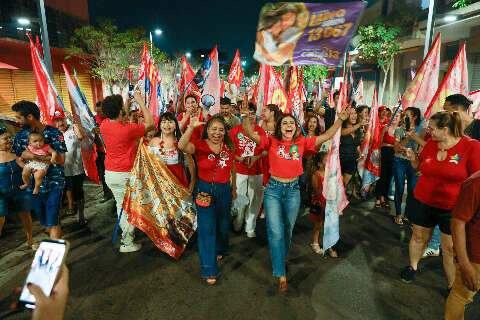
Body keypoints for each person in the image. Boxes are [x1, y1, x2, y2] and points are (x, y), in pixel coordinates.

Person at [241, 105, 349, 293]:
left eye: (291, 123)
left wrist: (339, 119)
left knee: (288, 231)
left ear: (296, 128)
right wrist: (245, 117)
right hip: (273, 191)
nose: (288, 125)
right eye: (285, 123)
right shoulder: (271, 142)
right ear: (279, 127)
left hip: (292, 191)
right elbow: (250, 133)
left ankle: (280, 257)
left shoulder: (302, 143)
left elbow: (327, 136)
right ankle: (281, 273)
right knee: (275, 231)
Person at [400, 111, 480, 289]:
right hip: (423, 200)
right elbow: (420, 167)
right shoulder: (431, 143)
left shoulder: (471, 146)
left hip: (453, 208)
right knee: (419, 236)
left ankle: (452, 285)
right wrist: (413, 159)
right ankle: (412, 266)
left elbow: (477, 180)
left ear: (445, 130)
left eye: (432, 129)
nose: (429, 132)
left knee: (450, 248)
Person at [179, 115, 236, 285]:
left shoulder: (229, 146)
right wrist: (190, 127)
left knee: (223, 225)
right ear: (207, 130)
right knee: (207, 228)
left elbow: (232, 166)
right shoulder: (199, 145)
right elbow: (181, 145)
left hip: (224, 190)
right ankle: (209, 269)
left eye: (221, 129)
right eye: (213, 129)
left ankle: (221, 249)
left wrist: (234, 189)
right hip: (204, 191)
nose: (217, 133)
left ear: (225, 132)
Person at [100, 92, 154, 253]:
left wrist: (127, 104)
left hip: (110, 173)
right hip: (125, 175)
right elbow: (150, 124)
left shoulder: (104, 125)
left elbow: (117, 115)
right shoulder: (127, 130)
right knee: (129, 208)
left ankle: (128, 235)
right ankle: (127, 241)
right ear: (120, 112)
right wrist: (141, 102)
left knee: (121, 205)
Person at [12, 101, 66, 240]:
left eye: (19, 117)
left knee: (53, 220)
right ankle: (57, 245)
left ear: (30, 116)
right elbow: (18, 158)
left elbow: (60, 160)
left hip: (54, 183)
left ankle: (57, 261)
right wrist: (28, 167)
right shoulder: (20, 136)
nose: (16, 121)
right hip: (33, 186)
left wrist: (35, 157)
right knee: (46, 221)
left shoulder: (53, 133)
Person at [445, 171, 480, 319]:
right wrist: (465, 264)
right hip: (475, 258)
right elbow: (457, 222)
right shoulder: (475, 182)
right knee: (461, 296)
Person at [230, 103, 267, 238]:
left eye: (252, 113)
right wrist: (238, 158)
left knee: (255, 200)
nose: (250, 116)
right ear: (241, 114)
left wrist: (256, 157)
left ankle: (250, 226)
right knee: (240, 198)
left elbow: (266, 151)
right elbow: (228, 151)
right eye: (246, 114)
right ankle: (238, 220)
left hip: (257, 171)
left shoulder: (261, 131)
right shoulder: (234, 131)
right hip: (239, 171)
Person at [0, 127, 33, 248]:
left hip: (20, 190)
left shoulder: (17, 151)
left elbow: (27, 166)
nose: (9, 140)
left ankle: (30, 240)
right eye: (5, 138)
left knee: (25, 215)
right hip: (2, 193)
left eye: (10, 137)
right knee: (0, 220)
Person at [53, 113, 88, 226]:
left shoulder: (73, 129)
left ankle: (81, 217)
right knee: (58, 197)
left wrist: (74, 121)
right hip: (59, 171)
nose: (60, 123)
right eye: (56, 121)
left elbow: (82, 136)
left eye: (61, 119)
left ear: (65, 119)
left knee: (78, 194)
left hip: (75, 170)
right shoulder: (54, 135)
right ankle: (56, 222)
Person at [392, 107, 424, 225]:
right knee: (399, 187)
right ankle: (398, 214)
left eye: (407, 115)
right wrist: (408, 137)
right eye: (404, 114)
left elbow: (422, 148)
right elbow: (396, 148)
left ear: (414, 117)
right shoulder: (399, 130)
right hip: (399, 161)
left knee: (412, 189)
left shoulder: (421, 131)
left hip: (413, 162)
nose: (404, 117)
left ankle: (407, 215)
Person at [148, 112, 195, 191]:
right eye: (163, 122)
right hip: (158, 185)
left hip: (178, 183)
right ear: (159, 125)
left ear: (175, 125)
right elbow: (147, 163)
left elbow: (191, 164)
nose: (167, 125)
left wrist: (192, 182)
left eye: (170, 122)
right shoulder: (153, 142)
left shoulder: (181, 142)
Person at [308, 151, 338, 257]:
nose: (330, 162)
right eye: (327, 160)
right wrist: (326, 184)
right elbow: (316, 191)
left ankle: (329, 245)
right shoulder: (316, 174)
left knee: (329, 224)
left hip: (329, 202)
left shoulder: (331, 173)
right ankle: (315, 242)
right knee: (318, 224)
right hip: (319, 203)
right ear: (320, 164)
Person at [340, 107, 367, 198]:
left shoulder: (358, 130)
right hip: (340, 159)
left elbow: (357, 145)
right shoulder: (341, 127)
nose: (354, 116)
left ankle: (339, 202)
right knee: (337, 183)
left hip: (352, 160)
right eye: (351, 113)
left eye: (355, 113)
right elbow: (343, 133)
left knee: (344, 184)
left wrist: (360, 154)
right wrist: (359, 124)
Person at [374, 111, 400, 208]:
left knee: (389, 178)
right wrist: (390, 145)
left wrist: (390, 145)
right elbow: (379, 143)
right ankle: (378, 197)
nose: (395, 117)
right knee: (382, 177)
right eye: (394, 115)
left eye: (397, 116)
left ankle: (384, 197)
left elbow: (399, 146)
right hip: (384, 155)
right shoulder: (385, 128)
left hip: (395, 156)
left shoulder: (400, 130)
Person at [93, 100, 113, 203]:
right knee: (103, 174)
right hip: (99, 152)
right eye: (97, 112)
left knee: (111, 174)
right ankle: (106, 193)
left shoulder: (110, 119)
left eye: (101, 112)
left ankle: (113, 195)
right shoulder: (94, 119)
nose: (99, 114)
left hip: (110, 151)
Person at [301, 115, 323, 207]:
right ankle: (301, 199)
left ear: (317, 124)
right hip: (301, 161)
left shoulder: (320, 136)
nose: (312, 124)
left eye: (314, 122)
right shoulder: (301, 134)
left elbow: (320, 150)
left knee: (311, 183)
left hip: (313, 162)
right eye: (310, 122)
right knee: (302, 182)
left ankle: (310, 199)